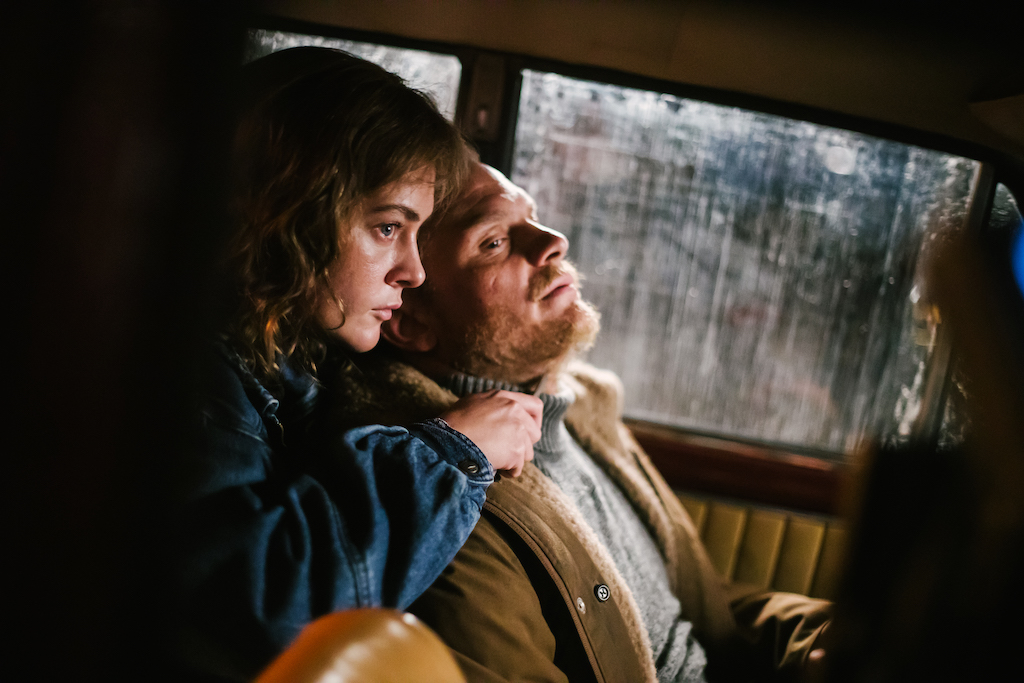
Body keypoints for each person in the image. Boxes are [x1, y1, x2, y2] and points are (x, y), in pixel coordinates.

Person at [330, 162, 833, 682]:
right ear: (411, 322)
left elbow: (701, 616)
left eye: (532, 216)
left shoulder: (579, 408)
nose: (553, 241)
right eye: (494, 242)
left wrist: (821, 638)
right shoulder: (444, 497)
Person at [171, 50, 542, 681]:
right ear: (288, 214)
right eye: (388, 228)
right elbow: (268, 600)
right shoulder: (199, 382)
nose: (414, 272)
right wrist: (452, 452)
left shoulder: (285, 361)